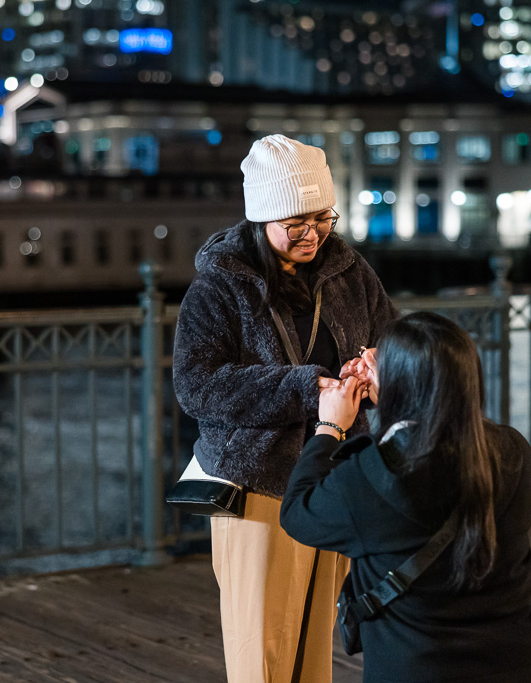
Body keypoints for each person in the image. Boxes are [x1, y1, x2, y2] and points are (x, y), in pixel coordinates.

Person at [173, 134, 397, 683]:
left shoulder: (351, 272)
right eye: (296, 222)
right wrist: (305, 388)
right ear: (263, 216)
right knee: (263, 653)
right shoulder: (218, 290)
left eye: (322, 216)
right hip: (258, 485)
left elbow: (390, 338)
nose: (313, 233)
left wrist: (373, 364)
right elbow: (197, 386)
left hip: (335, 475)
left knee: (315, 642)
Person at [280, 312, 531, 683]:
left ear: (403, 387)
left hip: (422, 670)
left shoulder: (373, 477)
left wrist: (329, 426)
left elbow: (299, 511)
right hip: (521, 665)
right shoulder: (514, 451)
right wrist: (397, 382)